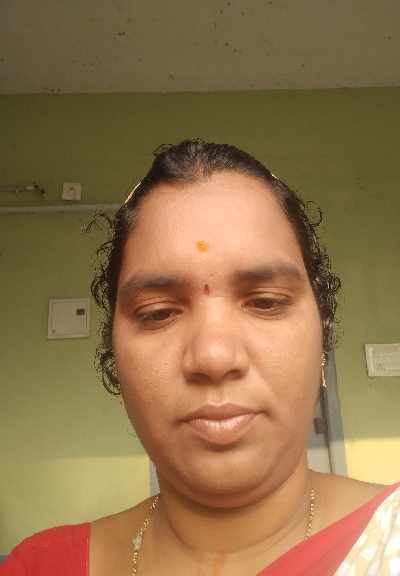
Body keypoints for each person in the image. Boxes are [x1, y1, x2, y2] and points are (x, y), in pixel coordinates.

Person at [2, 139, 399, 575]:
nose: (214, 356)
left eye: (265, 302)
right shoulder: (40, 567)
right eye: (158, 313)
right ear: (114, 358)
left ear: (321, 337)